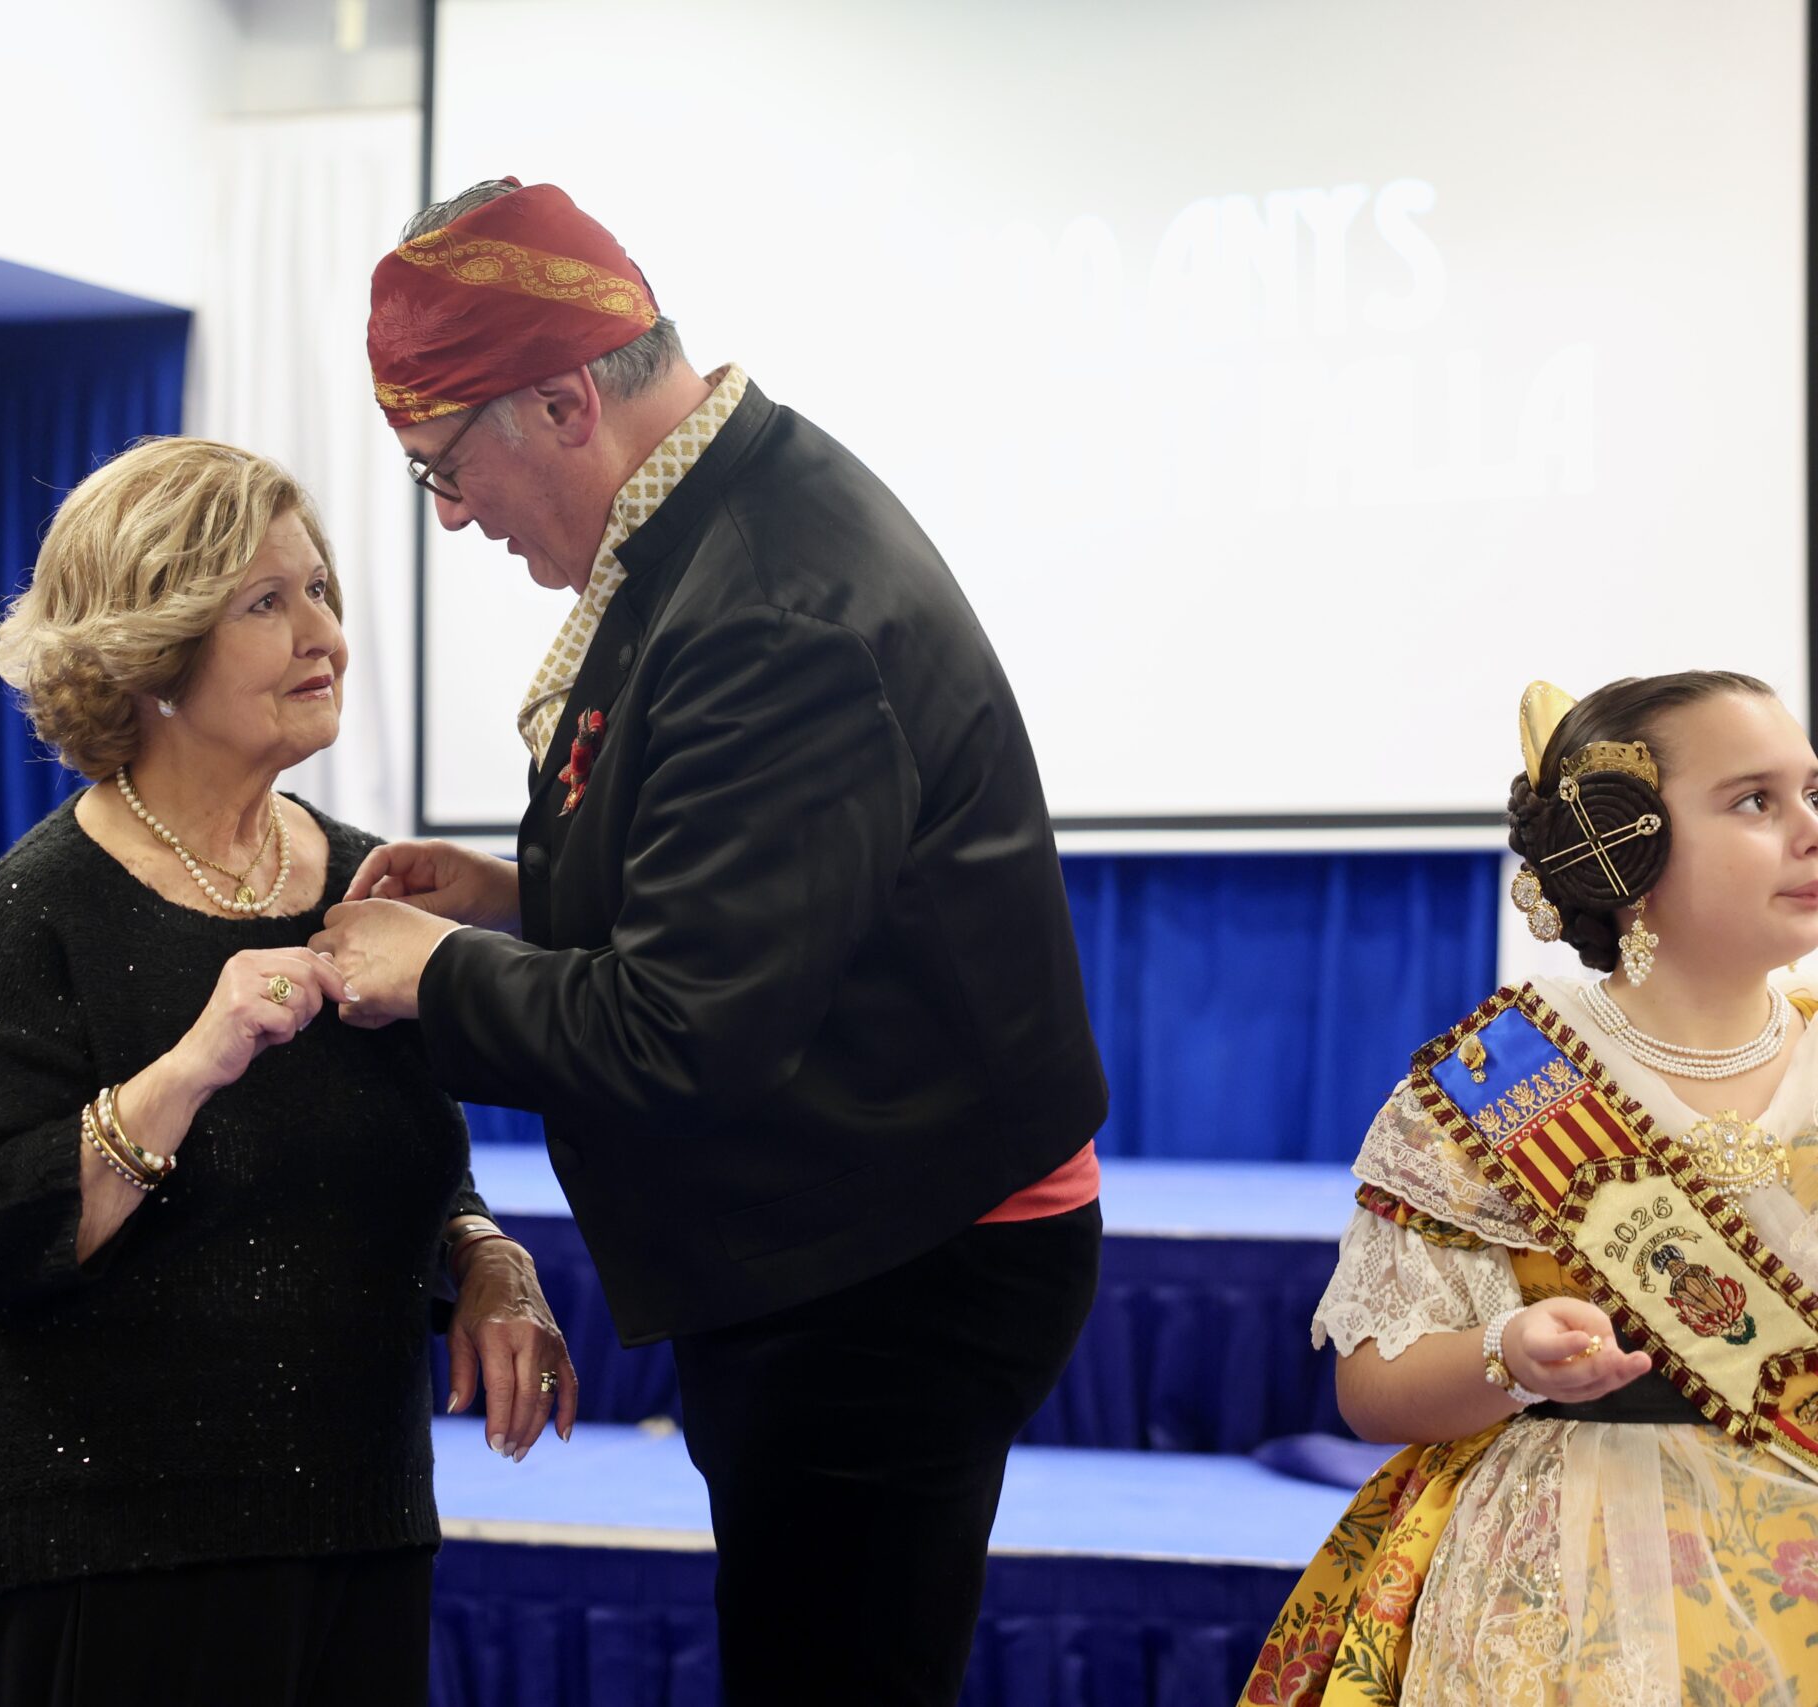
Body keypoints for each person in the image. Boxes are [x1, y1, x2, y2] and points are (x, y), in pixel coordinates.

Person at [310, 178, 1110, 1704]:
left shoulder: (765, 603)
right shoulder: (719, 504)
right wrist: (518, 897)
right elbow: (759, 884)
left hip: (898, 1260)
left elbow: (688, 1029)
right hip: (873, 1216)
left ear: (563, 403)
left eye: (444, 467)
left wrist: (432, 973)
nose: (453, 514)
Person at [0, 437, 575, 1707]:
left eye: (319, 589)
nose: (324, 634)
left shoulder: (369, 879)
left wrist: (486, 1254)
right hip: (101, 1550)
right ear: (152, 653)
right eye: (266, 602)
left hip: (357, 1524)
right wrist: (191, 1066)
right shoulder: (43, 902)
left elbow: (398, 1156)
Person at [1241, 672, 1818, 1707]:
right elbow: (1371, 1389)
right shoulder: (1497, 1080)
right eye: (1753, 801)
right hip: (1572, 1583)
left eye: (1811, 792)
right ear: (1623, 849)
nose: (1808, 829)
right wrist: (1505, 1354)